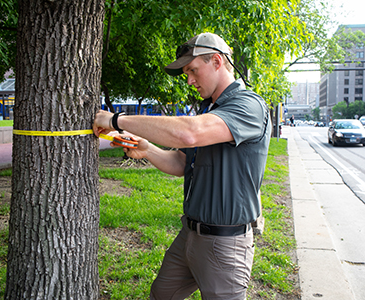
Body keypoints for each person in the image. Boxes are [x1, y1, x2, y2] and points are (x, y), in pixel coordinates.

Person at [93, 32, 271, 300]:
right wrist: (148, 150)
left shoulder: (248, 105)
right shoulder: (210, 111)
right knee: (162, 294)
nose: (189, 80)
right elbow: (182, 162)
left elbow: (189, 134)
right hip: (189, 234)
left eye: (193, 70)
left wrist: (117, 120)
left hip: (225, 244)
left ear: (217, 61)